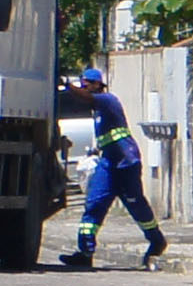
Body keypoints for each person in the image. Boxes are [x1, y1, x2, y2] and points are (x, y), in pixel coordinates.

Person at [64, 66, 166, 270]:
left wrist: (69, 86)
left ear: (98, 85)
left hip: (126, 162)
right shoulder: (97, 111)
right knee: (94, 204)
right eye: (82, 84)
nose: (85, 87)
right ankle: (85, 252)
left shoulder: (107, 100)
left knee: (136, 205)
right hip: (109, 163)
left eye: (88, 84)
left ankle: (157, 241)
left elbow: (86, 98)